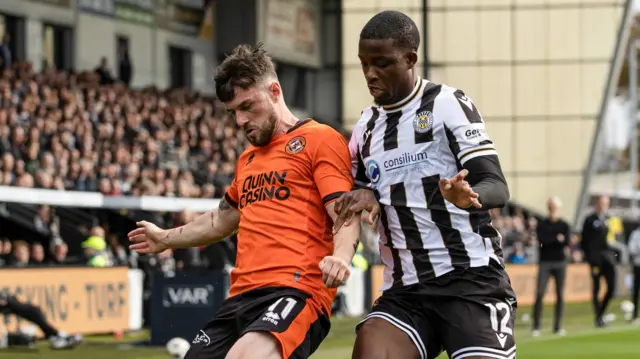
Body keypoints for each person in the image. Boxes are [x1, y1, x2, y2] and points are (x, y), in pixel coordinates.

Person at [128, 44, 360, 359]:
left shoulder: (320, 139)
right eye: (233, 111)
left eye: (247, 106)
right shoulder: (247, 160)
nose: (239, 120)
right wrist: (164, 239)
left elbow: (344, 212)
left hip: (297, 291)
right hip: (240, 298)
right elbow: (221, 219)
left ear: (274, 91)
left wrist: (343, 256)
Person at [332, 11, 515, 359]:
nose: (370, 74)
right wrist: (365, 194)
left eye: (382, 63)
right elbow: (356, 197)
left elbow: (496, 184)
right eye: (364, 63)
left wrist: (468, 196)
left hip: (470, 280)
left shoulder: (448, 104)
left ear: (410, 59)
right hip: (406, 291)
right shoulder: (366, 129)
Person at [532, 196, 571, 336]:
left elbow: (567, 241)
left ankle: (558, 326)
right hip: (545, 262)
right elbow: (543, 240)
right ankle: (536, 326)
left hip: (560, 262)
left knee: (560, 294)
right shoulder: (542, 224)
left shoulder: (564, 225)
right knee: (540, 293)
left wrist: (556, 240)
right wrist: (556, 239)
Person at [581, 195, 616, 327]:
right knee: (596, 287)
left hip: (607, 257)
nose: (603, 206)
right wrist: (589, 257)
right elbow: (584, 240)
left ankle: (601, 312)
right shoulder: (590, 220)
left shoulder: (609, 219)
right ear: (597, 204)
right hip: (595, 259)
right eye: (601, 203)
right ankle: (598, 317)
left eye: (606, 203)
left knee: (611, 286)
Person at [0, 292, 82, 349]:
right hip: (31, 310)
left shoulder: (10, 303)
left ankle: (63, 337)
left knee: (44, 325)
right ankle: (61, 337)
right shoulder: (10, 302)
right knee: (44, 326)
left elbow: (5, 304)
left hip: (32, 311)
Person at [628, 224, 640, 324]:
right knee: (636, 290)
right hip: (638, 265)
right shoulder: (636, 234)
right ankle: (635, 315)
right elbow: (632, 248)